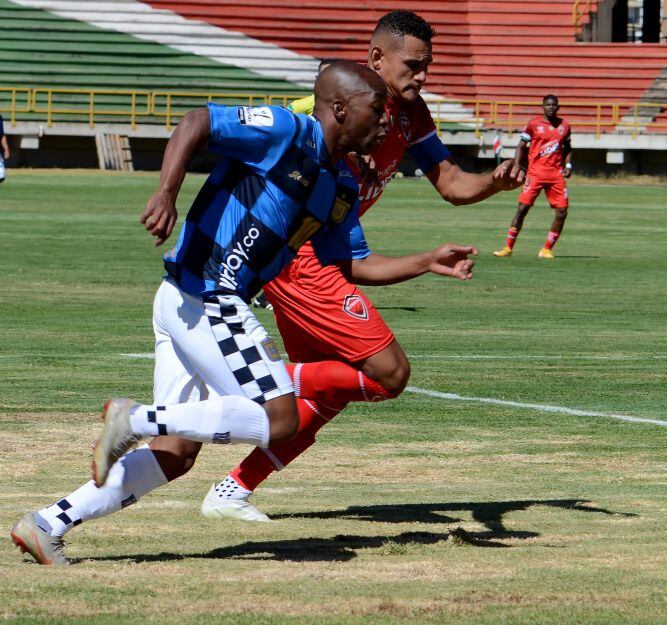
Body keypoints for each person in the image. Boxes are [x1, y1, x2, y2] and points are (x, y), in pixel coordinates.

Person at [9, 62, 477, 565]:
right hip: (210, 296)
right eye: (377, 110)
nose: (387, 123)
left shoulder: (339, 185)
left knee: (176, 454)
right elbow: (196, 122)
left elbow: (352, 264)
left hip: (185, 302)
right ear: (340, 109)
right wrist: (166, 191)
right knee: (280, 420)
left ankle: (45, 524)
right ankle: (136, 418)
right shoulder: (285, 130)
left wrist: (426, 261)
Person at [198, 10, 524, 522]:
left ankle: (233, 490)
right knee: (386, 373)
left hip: (323, 256)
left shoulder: (412, 116)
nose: (422, 77)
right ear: (376, 58)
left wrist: (496, 183)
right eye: (413, 65)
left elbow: (453, 183)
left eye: (428, 66)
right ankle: (255, 376)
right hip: (300, 257)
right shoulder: (337, 108)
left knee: (329, 395)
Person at [493, 94, 572, 259]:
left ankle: (546, 249)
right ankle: (508, 248)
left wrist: (568, 164)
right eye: (548, 105)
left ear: (558, 107)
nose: (551, 107)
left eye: (554, 105)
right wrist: (517, 164)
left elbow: (567, 147)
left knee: (562, 212)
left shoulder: (564, 125)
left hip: (556, 175)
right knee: (522, 209)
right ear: (542, 107)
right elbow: (521, 145)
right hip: (535, 174)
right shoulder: (534, 124)